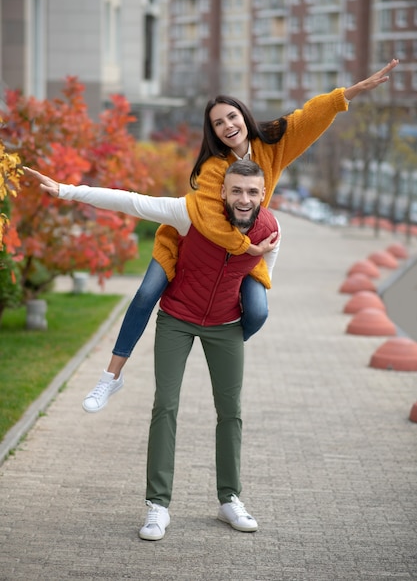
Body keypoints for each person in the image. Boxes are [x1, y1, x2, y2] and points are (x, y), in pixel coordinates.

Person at [60, 59, 402, 413]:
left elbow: (308, 116)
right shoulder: (212, 170)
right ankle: (110, 378)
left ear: (244, 116)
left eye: (231, 116)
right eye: (218, 123)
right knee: (146, 294)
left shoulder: (271, 143)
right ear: (213, 132)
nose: (227, 125)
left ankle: (218, 342)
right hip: (192, 244)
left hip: (238, 253)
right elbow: (209, 222)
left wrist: (348, 94)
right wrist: (248, 246)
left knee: (257, 312)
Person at [26, 159, 279, 539]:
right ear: (223, 192)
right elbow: (130, 202)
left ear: (263, 194)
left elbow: (263, 274)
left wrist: (245, 317)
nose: (244, 199)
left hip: (226, 325)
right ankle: (157, 506)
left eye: (252, 192)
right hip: (177, 318)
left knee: (231, 412)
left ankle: (230, 499)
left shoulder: (271, 229)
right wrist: (65, 190)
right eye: (237, 191)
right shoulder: (188, 214)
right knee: (166, 406)